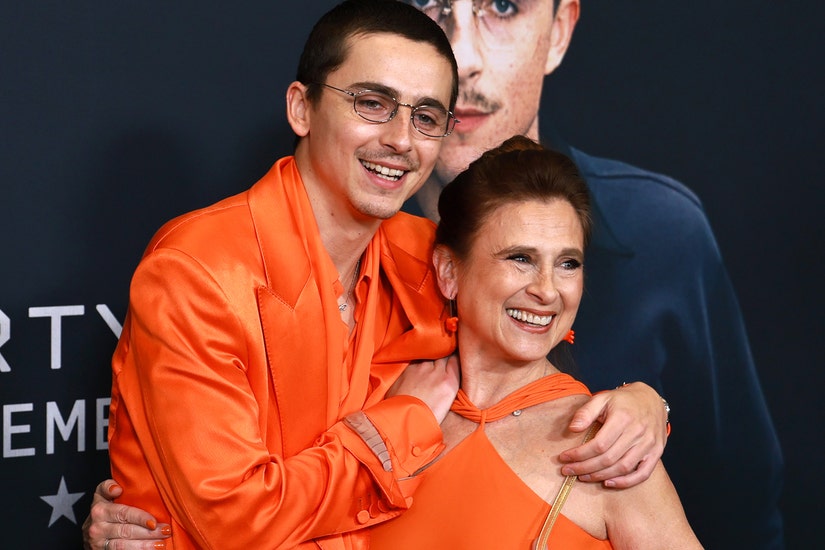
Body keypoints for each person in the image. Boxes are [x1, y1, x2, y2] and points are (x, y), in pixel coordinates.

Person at [82, 2, 669, 549]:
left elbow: (529, 331)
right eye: (372, 103)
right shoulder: (197, 273)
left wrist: (643, 407)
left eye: (426, 117)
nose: (400, 140)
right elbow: (237, 521)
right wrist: (398, 429)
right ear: (302, 108)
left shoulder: (428, 255)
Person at [399, 0, 784, 547]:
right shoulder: (343, 262)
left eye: (502, 7)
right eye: (429, 6)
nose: (462, 58)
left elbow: (744, 505)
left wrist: (654, 407)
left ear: (558, 30)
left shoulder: (665, 236)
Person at [369, 135, 702, 549]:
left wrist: (653, 402)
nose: (546, 290)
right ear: (449, 271)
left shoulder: (606, 449)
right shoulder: (388, 398)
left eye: (568, 263)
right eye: (520, 258)